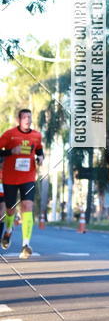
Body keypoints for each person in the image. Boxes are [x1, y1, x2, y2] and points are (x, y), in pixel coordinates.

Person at [0, 109, 44, 258]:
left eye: (29, 117)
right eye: (25, 117)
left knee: (27, 206)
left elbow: (39, 150)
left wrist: (41, 158)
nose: (27, 120)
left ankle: (25, 245)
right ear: (19, 119)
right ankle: (8, 230)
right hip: (10, 178)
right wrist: (11, 151)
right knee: (10, 209)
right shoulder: (9, 134)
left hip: (28, 177)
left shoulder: (37, 135)